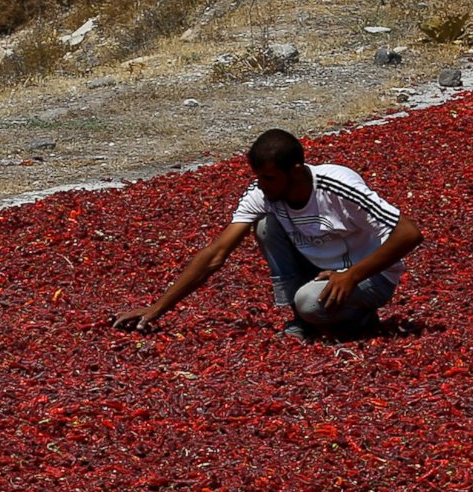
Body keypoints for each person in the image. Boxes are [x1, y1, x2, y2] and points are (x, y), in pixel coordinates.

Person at [111, 128, 423, 338]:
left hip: (370, 275)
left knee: (310, 303)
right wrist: (157, 309)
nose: (262, 186)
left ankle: (360, 320)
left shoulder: (336, 186)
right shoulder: (264, 193)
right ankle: (304, 320)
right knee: (265, 225)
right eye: (259, 178)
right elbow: (215, 254)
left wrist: (352, 275)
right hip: (322, 271)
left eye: (270, 178)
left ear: (296, 171)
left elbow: (409, 232)